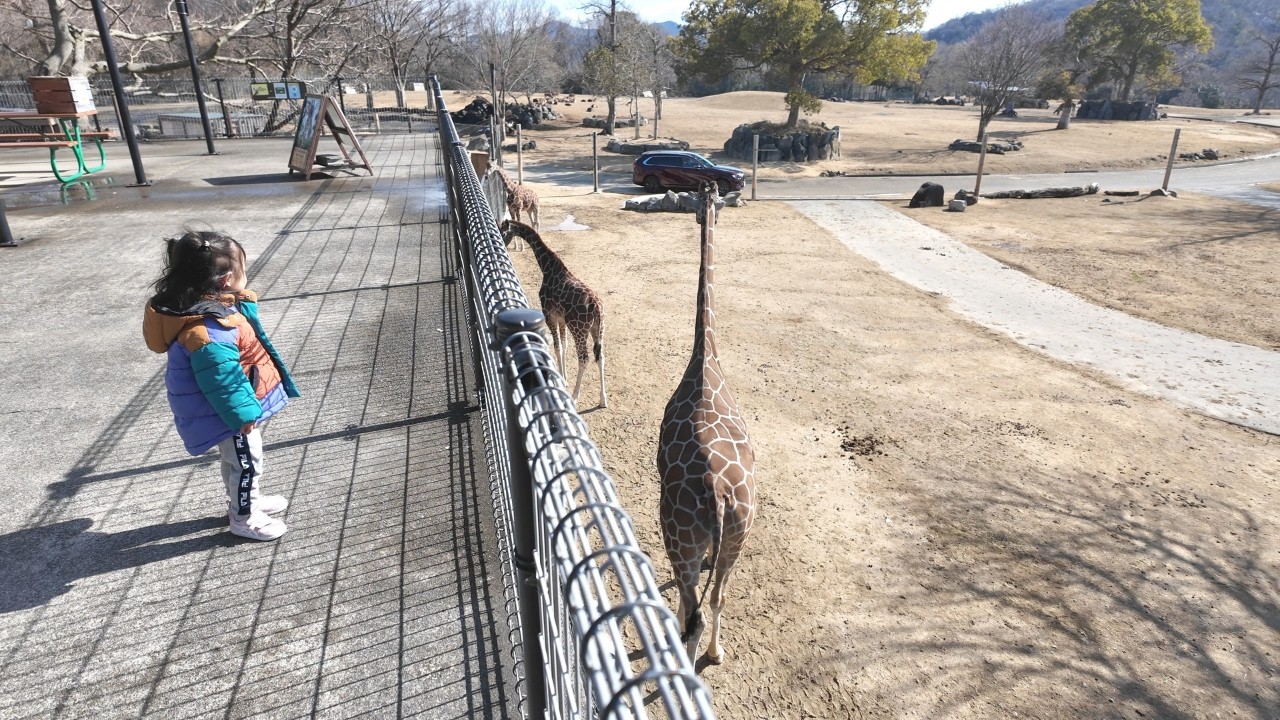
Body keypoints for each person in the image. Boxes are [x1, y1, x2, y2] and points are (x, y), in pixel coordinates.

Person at [143, 230, 300, 541]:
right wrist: (242, 416)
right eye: (243, 268)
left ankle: (246, 502)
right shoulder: (209, 331)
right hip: (228, 416)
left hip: (225, 411)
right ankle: (244, 518)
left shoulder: (209, 310)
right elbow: (223, 381)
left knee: (237, 460)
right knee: (247, 462)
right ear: (226, 279)